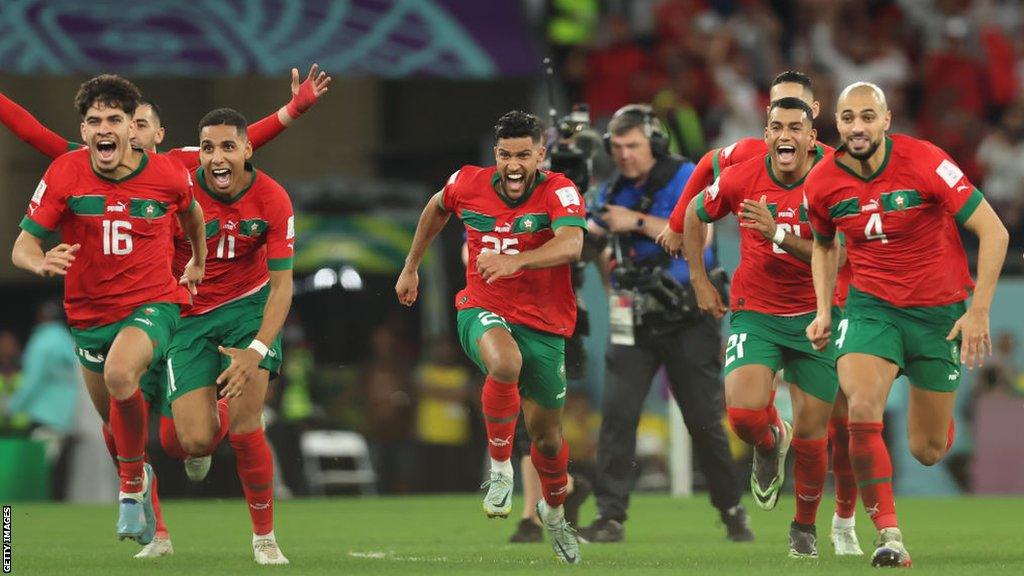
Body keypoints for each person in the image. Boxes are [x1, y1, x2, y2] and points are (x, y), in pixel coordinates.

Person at [0, 64, 329, 559]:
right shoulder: (75, 166)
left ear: (153, 132)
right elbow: (31, 131)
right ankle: (155, 527)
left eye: (132, 122)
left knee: (165, 402)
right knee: (158, 436)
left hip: (174, 306)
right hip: (117, 314)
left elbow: (241, 141)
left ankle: (251, 529)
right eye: (100, 122)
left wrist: (294, 109)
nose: (119, 131)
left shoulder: (176, 168)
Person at [804, 81, 1009, 568]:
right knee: (860, 407)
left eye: (867, 117)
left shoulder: (925, 161)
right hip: (871, 308)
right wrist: (824, 308)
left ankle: (935, 404)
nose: (857, 127)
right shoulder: (822, 181)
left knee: (928, 449)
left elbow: (994, 231)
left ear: (886, 119)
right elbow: (824, 244)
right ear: (837, 122)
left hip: (939, 313)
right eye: (848, 118)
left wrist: (978, 311)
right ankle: (889, 535)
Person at [659, 71, 863, 555]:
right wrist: (700, 279)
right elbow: (696, 212)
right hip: (757, 310)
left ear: (813, 133)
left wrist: (774, 233)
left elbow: (841, 255)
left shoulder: (838, 177)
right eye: (778, 127)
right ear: (766, 133)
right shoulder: (743, 172)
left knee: (817, 435)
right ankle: (771, 441)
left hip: (819, 313)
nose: (786, 136)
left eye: (797, 127)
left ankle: (805, 528)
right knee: (744, 416)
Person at [10, 74, 206, 547]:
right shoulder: (65, 172)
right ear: (84, 131)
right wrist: (40, 262)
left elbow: (192, 212)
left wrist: (198, 259)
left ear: (132, 127)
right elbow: (22, 245)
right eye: (94, 119)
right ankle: (152, 515)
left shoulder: (165, 174)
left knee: (122, 376)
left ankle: (129, 487)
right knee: (115, 430)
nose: (104, 127)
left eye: (114, 118)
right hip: (88, 318)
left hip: (153, 303)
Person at [396, 110, 586, 564]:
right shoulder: (468, 182)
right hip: (483, 307)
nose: (514, 164)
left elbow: (571, 245)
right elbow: (436, 207)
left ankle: (555, 515)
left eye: (524, 154)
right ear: (495, 155)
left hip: (544, 323)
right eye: (505, 154)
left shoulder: (559, 189)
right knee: (504, 363)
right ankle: (500, 472)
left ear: (541, 154)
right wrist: (410, 266)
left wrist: (517, 261)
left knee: (548, 440)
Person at [581, 103, 752, 544]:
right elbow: (598, 252)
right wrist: (610, 287)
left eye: (633, 145)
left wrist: (635, 221)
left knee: (704, 421)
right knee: (618, 416)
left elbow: (705, 231)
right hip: (633, 319)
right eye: (616, 147)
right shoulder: (608, 190)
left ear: (654, 142)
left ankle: (731, 508)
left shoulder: (685, 176)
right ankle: (610, 516)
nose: (624, 155)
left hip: (688, 317)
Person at [155, 108, 294, 565]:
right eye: (209, 147)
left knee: (246, 424)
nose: (217, 156)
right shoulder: (176, 178)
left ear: (248, 150)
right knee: (190, 442)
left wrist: (256, 350)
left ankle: (265, 538)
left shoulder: (273, 198)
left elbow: (281, 286)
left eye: (228, 146)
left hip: (248, 309)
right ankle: (210, 413)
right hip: (189, 313)